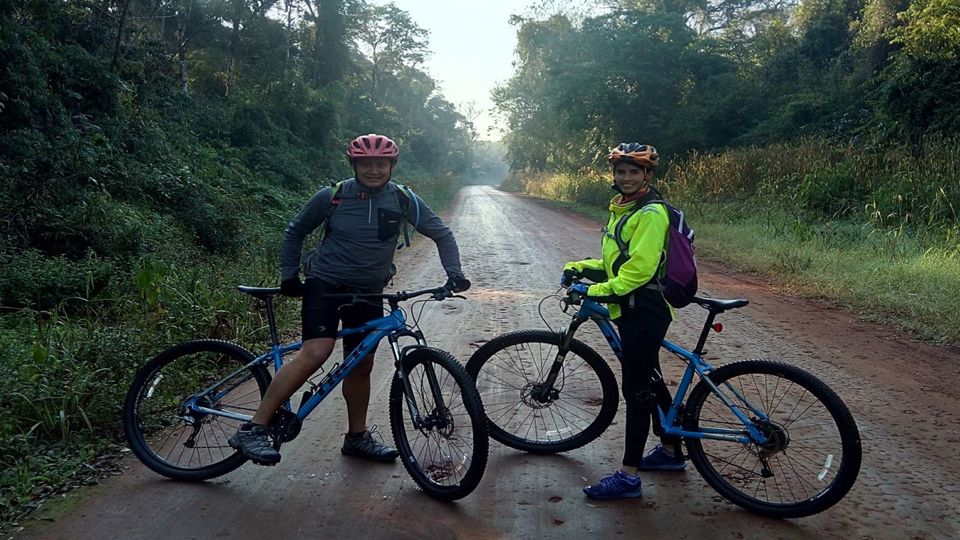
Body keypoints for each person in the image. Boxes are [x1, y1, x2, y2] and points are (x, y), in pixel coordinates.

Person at [230, 133, 470, 465]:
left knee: (361, 365)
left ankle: (356, 438)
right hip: (325, 284)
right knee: (317, 350)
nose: (374, 170)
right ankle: (253, 428)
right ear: (354, 165)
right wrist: (289, 275)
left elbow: (441, 233)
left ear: (391, 166)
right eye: (366, 164)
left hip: (368, 291)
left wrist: (454, 272)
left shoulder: (403, 199)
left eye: (381, 164)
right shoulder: (333, 196)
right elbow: (295, 230)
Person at [561, 142, 685, 500]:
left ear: (648, 175)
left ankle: (629, 477)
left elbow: (638, 273)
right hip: (634, 307)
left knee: (637, 392)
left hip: (643, 308)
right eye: (621, 171)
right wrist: (582, 267)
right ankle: (671, 452)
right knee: (652, 377)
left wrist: (595, 292)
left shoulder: (650, 213)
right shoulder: (625, 210)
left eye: (634, 171)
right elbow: (621, 264)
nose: (626, 177)